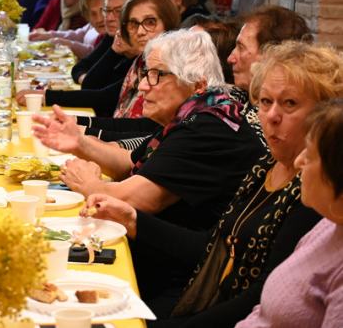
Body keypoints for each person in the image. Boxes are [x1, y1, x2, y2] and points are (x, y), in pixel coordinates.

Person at [82, 42, 343, 323]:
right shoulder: (267, 166)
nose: (272, 116)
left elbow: (260, 299)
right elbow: (216, 247)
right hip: (200, 297)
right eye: (266, 102)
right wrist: (133, 220)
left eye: (289, 103)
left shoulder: (317, 196)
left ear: (324, 114)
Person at [34, 29, 265, 232]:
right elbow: (129, 161)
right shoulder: (193, 114)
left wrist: (88, 184)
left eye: (157, 75)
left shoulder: (209, 127)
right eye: (146, 74)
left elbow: (135, 200)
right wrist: (79, 142)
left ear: (197, 84)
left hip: (178, 270)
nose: (143, 86)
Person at [235, 99, 343, 328]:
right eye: (265, 101)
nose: (299, 161)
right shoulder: (328, 223)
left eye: (310, 156)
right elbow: (266, 311)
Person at [37, 0, 180, 118]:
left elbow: (105, 99)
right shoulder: (138, 60)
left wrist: (49, 98)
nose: (140, 31)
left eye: (150, 22)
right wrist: (113, 51)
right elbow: (90, 83)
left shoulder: (168, 67)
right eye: (133, 23)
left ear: (168, 24)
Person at [29, 0, 105, 58]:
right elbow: (76, 35)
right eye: (93, 13)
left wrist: (67, 44)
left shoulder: (109, 32)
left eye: (103, 11)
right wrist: (49, 35)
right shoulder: (91, 25)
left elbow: (92, 52)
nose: (99, 19)